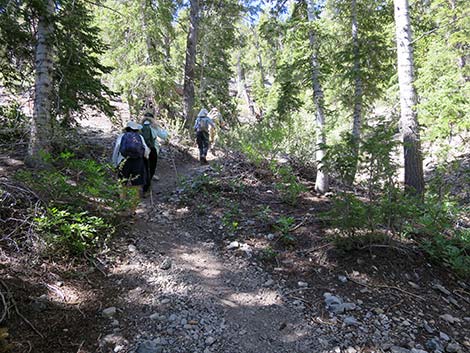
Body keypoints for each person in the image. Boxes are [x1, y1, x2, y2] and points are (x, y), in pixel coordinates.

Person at [112, 121, 151, 206]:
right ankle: (133, 209)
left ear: (126, 129)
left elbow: (116, 150)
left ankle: (123, 204)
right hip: (137, 162)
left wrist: (114, 164)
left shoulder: (121, 136)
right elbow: (146, 151)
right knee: (136, 186)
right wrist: (146, 157)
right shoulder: (140, 137)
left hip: (124, 161)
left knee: (122, 183)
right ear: (137, 129)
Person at [140, 112, 169, 193]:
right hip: (153, 150)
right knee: (151, 169)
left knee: (144, 168)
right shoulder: (154, 127)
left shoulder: (139, 127)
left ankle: (143, 184)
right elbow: (164, 136)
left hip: (142, 150)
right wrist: (165, 131)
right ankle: (146, 188)